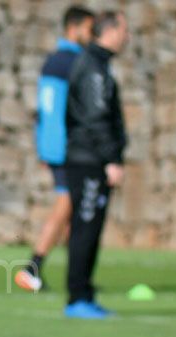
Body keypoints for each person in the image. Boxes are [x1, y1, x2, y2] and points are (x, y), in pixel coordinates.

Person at [15, 5, 94, 293]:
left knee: (74, 210)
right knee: (67, 204)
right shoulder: (74, 62)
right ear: (74, 28)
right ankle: (32, 267)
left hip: (53, 143)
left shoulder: (54, 61)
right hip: (67, 147)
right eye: (89, 28)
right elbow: (68, 111)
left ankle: (78, 274)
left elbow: (45, 110)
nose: (92, 35)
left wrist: (44, 145)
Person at [62, 10, 129, 318]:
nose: (126, 37)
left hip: (90, 158)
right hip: (89, 161)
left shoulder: (98, 65)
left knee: (89, 227)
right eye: (123, 30)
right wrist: (111, 159)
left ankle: (84, 293)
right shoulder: (94, 69)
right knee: (85, 227)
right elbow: (95, 118)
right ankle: (77, 297)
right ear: (110, 32)